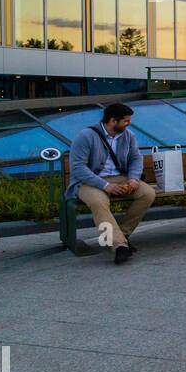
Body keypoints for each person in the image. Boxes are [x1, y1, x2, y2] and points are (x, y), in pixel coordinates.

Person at [66, 102, 155, 264]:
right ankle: (119, 246)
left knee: (147, 193)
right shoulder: (86, 136)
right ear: (113, 121)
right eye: (126, 121)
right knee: (99, 202)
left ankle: (123, 234)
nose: (129, 124)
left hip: (120, 177)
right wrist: (106, 186)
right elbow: (78, 168)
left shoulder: (128, 135)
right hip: (89, 181)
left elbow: (136, 158)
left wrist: (134, 179)